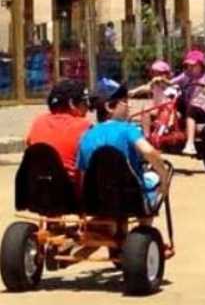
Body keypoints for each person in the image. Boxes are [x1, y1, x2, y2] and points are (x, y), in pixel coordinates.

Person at [76, 79, 170, 207]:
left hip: (97, 200)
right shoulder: (128, 129)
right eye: (125, 102)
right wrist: (164, 177)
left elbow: (83, 175)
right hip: (129, 198)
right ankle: (145, 224)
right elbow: (148, 151)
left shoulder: (86, 135)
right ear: (109, 107)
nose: (129, 106)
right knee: (153, 178)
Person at [25, 79, 92, 180]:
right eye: (85, 102)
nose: (88, 107)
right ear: (72, 104)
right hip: (68, 191)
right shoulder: (84, 126)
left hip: (37, 191)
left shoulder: (38, 123)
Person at [170, 50, 205, 155]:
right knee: (172, 105)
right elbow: (171, 82)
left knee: (192, 110)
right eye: (188, 65)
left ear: (201, 65)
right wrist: (162, 82)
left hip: (203, 110)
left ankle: (190, 144)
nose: (190, 68)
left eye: (193, 65)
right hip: (188, 107)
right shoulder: (186, 75)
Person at [130, 60, 174, 136]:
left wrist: (162, 80)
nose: (154, 75)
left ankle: (163, 129)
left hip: (167, 109)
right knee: (145, 112)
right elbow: (146, 87)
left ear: (165, 73)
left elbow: (168, 84)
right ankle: (146, 134)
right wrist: (135, 91)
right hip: (157, 108)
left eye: (157, 73)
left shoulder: (168, 83)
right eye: (153, 72)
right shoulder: (154, 84)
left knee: (166, 111)